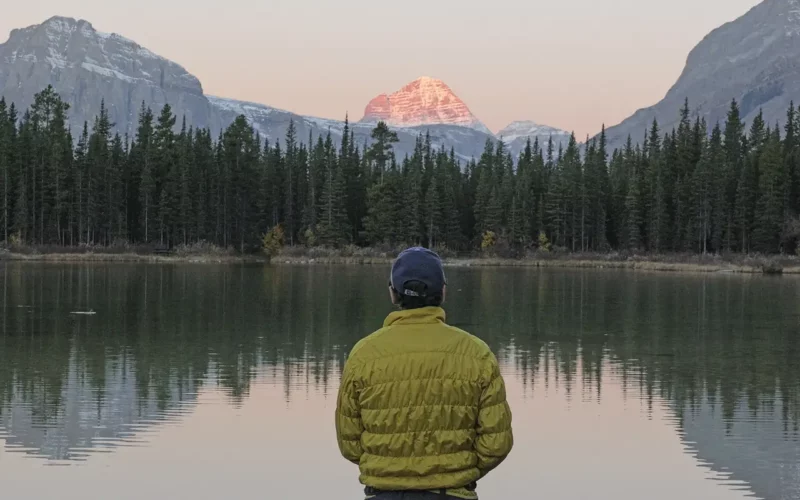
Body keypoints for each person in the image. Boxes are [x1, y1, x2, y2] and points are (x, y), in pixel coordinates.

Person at [335, 247, 513, 500]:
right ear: (442, 292)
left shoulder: (363, 355)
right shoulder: (477, 354)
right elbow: (496, 444)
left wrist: (389, 469)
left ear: (392, 294)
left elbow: (350, 444)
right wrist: (458, 470)